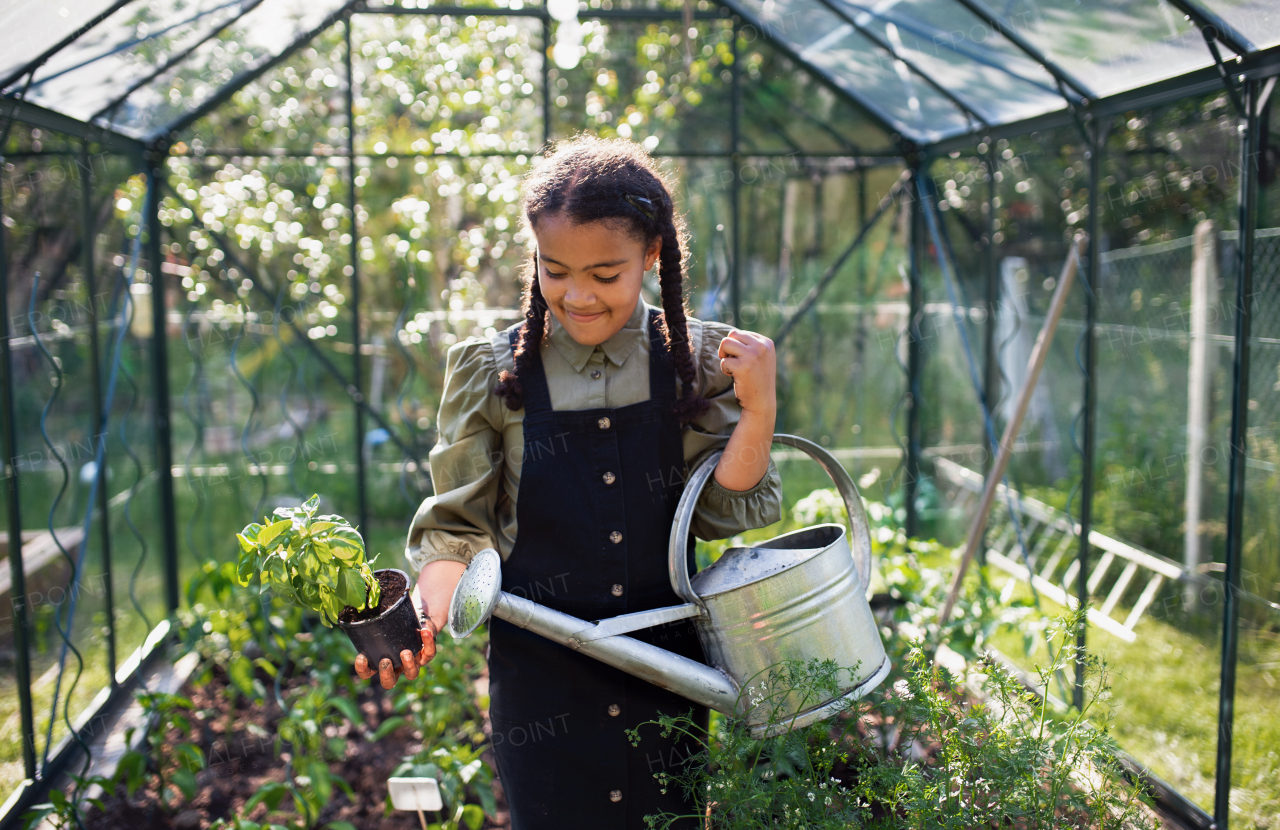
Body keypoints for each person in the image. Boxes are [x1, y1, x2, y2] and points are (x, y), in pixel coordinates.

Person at [354, 134, 782, 828]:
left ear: (651, 256)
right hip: (540, 683)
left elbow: (722, 511)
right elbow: (457, 530)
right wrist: (426, 617)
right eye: (554, 271)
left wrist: (758, 408)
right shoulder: (494, 371)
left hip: (665, 666)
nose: (577, 296)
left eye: (605, 275)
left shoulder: (695, 359)